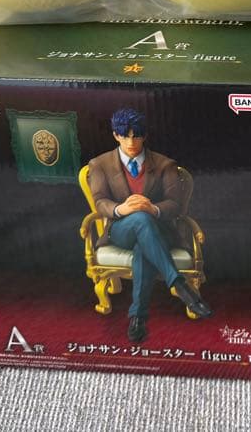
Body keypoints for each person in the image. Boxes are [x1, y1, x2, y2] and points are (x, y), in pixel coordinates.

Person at [86, 107, 212, 342]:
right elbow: (100, 201)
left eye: (136, 135)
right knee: (140, 220)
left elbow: (175, 204)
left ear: (145, 135)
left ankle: (138, 317)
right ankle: (180, 285)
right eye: (125, 136)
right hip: (121, 229)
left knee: (143, 244)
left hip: (159, 229)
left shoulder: (165, 164)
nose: (131, 142)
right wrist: (121, 209)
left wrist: (152, 208)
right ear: (115, 135)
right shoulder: (100, 164)